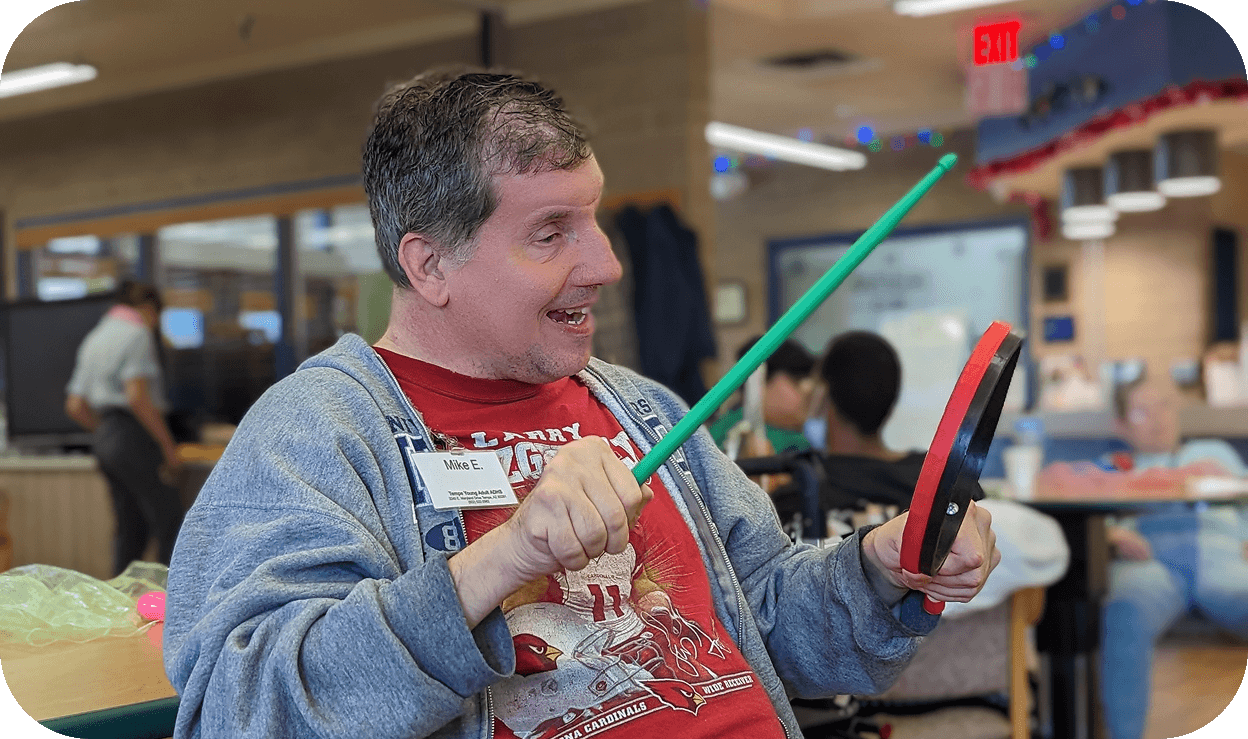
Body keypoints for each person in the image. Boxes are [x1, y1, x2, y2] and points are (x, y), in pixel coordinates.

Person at [162, 66, 999, 739]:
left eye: (592, 221)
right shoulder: (315, 433)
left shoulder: (639, 404)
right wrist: (500, 562)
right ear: (429, 266)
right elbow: (243, 708)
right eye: (551, 231)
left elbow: (772, 619)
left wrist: (878, 569)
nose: (604, 264)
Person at [1098, 375, 1248, 739]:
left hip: (1225, 559)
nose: (1157, 418)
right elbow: (1090, 520)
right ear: (1120, 425)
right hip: (1149, 565)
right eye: (1141, 411)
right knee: (1122, 610)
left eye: (1165, 405)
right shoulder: (1113, 467)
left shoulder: (1215, 454)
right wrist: (1112, 534)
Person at [65, 279, 184, 576]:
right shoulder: (137, 333)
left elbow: (75, 406)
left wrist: (107, 432)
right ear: (147, 308)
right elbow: (137, 396)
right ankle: (169, 605)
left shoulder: (95, 337)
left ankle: (122, 604)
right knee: (170, 520)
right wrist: (167, 445)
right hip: (133, 434)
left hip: (105, 437)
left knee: (129, 525)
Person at [707, 337, 816, 454]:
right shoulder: (791, 446)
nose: (808, 390)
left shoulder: (716, 430)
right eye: (796, 380)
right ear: (758, 381)